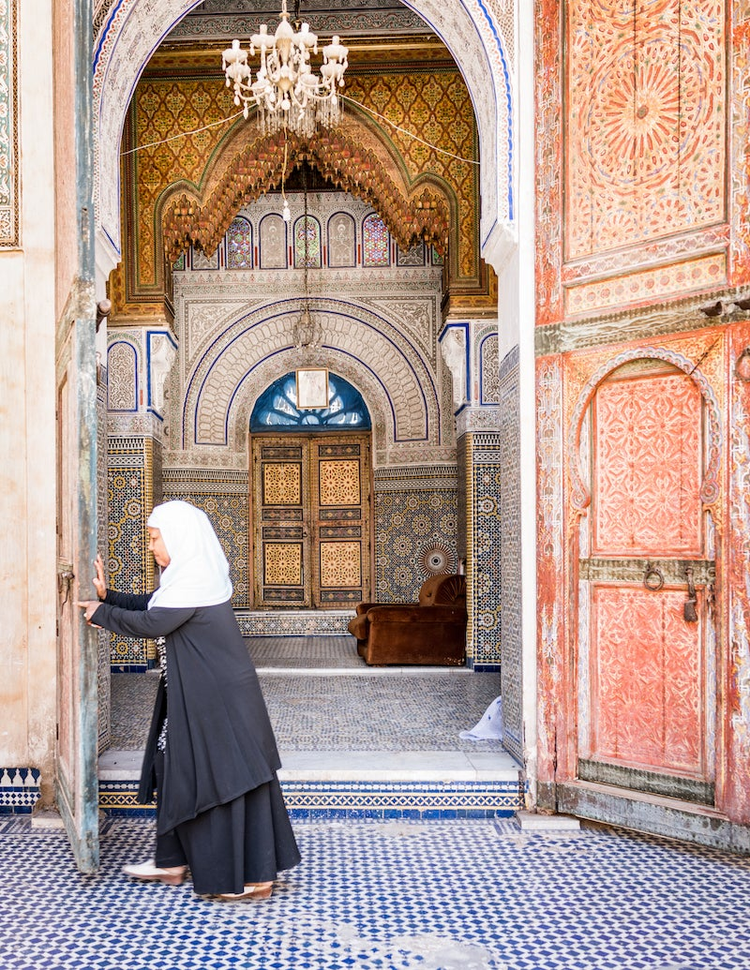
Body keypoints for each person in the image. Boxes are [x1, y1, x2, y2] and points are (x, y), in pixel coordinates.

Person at [78, 500, 301, 901]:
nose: (151, 546)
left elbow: (153, 623)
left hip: (218, 701)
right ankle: (171, 860)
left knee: (230, 780)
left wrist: (101, 613)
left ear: (179, 538)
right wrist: (109, 597)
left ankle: (256, 877)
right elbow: (153, 604)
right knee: (170, 762)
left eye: (155, 537)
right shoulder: (187, 580)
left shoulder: (194, 580)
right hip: (201, 693)